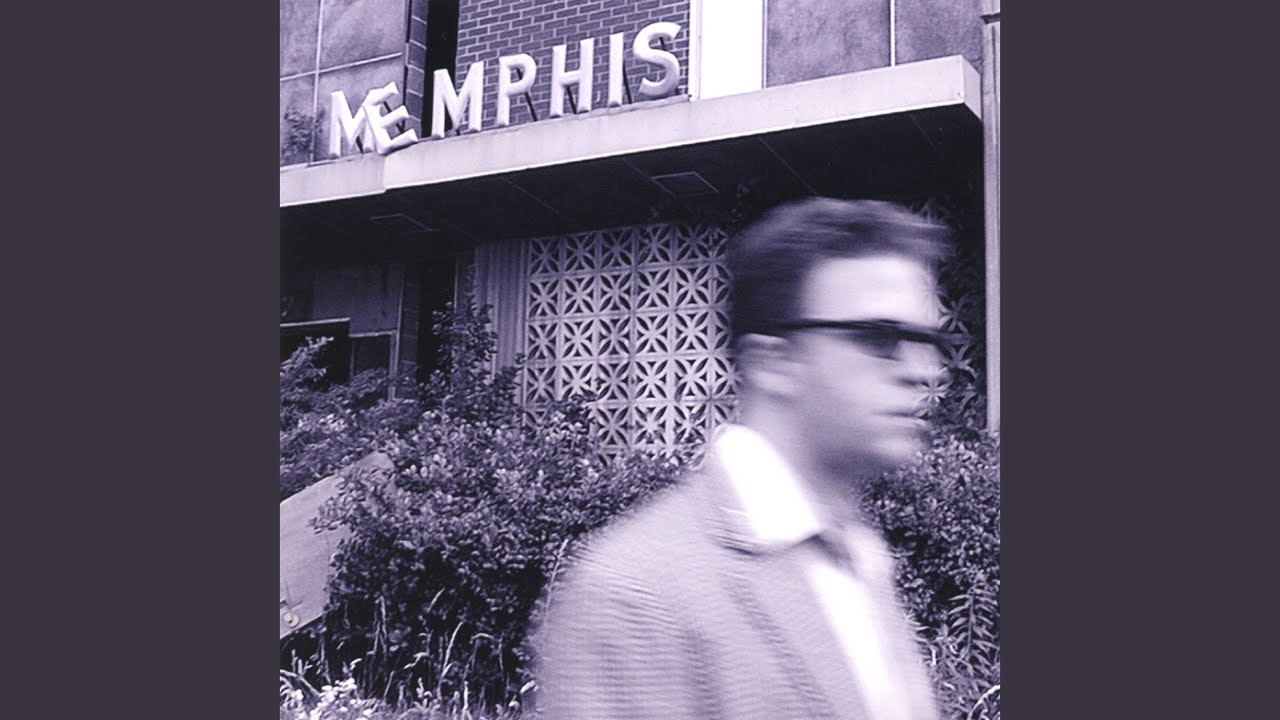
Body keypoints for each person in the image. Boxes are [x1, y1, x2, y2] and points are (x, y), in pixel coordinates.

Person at [534, 198, 952, 720]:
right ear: (773, 361)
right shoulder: (634, 593)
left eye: (929, 340)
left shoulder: (860, 553)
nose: (924, 370)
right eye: (881, 338)